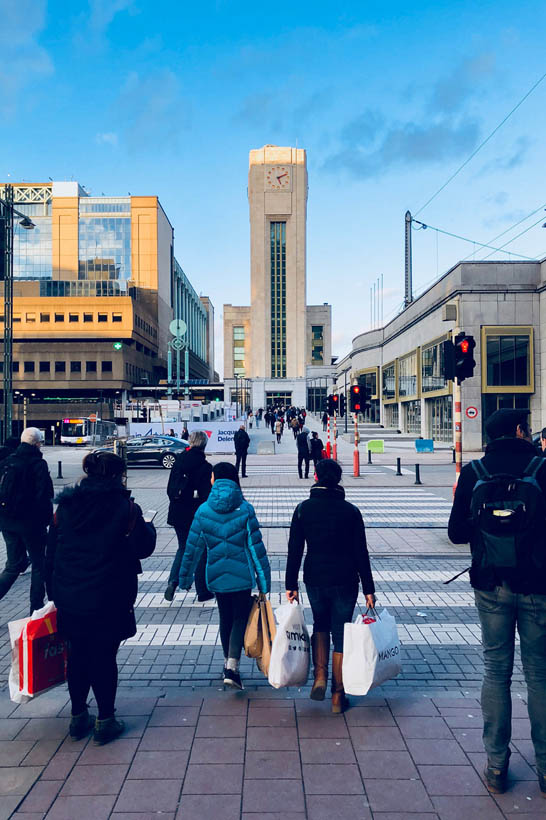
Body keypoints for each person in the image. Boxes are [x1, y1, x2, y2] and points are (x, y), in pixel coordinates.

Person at [448, 408, 546, 797]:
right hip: (538, 585)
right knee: (539, 675)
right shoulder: (541, 469)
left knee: (496, 671)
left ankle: (496, 767)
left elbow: (456, 533)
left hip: (491, 585)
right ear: (520, 431)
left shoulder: (475, 473)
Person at [45, 452, 156, 744]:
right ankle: (105, 719)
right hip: (109, 596)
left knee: (77, 654)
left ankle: (78, 716)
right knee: (105, 656)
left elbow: (51, 554)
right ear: (117, 476)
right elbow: (143, 547)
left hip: (69, 595)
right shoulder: (125, 508)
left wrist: (53, 593)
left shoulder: (65, 508)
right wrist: (149, 526)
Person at [285, 459, 376, 713]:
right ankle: (338, 695)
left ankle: (320, 677)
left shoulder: (304, 509)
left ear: (315, 476)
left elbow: (295, 549)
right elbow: (361, 552)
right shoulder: (351, 511)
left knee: (320, 625)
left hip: (315, 576)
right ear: (338, 480)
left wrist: (290, 583)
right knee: (341, 632)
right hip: (346, 579)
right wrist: (369, 588)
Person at [180, 462, 270, 690]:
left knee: (225, 617)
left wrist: (185, 578)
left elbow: (192, 548)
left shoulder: (203, 510)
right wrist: (264, 582)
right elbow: (256, 548)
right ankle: (232, 666)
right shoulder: (245, 509)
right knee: (240, 618)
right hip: (241, 576)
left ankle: (227, 664)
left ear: (215, 479)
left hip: (217, 575)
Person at [0, 428, 53, 614]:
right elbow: (44, 495)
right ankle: (35, 609)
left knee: (14, 565)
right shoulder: (38, 464)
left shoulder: (8, 461)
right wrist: (47, 521)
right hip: (31, 524)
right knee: (40, 564)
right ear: (37, 443)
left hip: (7, 522)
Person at [164, 431, 213, 602]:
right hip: (197, 513)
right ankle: (203, 591)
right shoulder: (205, 467)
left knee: (183, 547)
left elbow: (170, 489)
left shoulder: (178, 462)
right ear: (204, 445)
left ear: (190, 443)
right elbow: (207, 494)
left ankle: (173, 582)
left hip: (178, 512)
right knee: (202, 549)